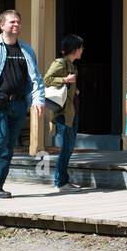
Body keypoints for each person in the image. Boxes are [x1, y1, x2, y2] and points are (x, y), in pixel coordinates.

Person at [0, 9, 44, 200]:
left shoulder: (26, 50)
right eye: (12, 22)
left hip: (18, 104)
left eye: (18, 22)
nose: (16, 25)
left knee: (9, 146)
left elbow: (35, 78)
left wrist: (38, 100)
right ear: (2, 25)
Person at [43, 33, 84, 192]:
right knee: (66, 147)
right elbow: (46, 80)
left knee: (69, 147)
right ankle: (60, 183)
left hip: (72, 111)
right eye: (80, 47)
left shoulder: (72, 66)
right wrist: (64, 81)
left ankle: (63, 181)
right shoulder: (60, 63)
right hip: (62, 113)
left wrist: (75, 90)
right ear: (74, 49)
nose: (82, 50)